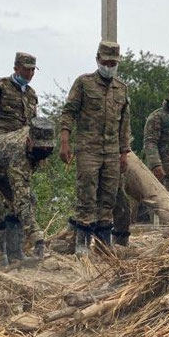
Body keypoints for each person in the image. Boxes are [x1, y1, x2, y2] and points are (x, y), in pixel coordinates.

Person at [59, 41, 131, 254]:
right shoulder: (84, 83)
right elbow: (69, 111)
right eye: (106, 61)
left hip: (111, 152)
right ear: (98, 59)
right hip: (88, 150)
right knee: (86, 195)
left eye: (113, 62)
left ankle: (103, 245)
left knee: (108, 198)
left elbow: (124, 123)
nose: (109, 66)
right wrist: (65, 141)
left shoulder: (122, 88)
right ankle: (82, 245)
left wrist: (124, 152)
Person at [0, 118, 55, 271]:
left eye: (48, 149)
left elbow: (23, 198)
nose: (43, 153)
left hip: (1, 168)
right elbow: (21, 201)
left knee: (29, 199)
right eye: (40, 149)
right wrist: (37, 237)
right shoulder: (18, 153)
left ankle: (15, 255)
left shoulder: (37, 138)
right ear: (29, 142)